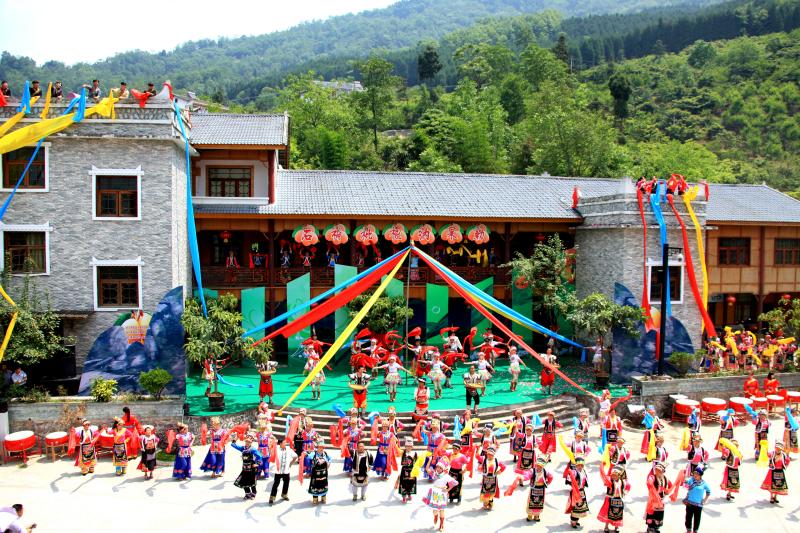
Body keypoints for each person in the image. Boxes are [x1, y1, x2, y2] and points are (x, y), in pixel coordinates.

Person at [423, 458, 457, 532]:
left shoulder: (446, 476)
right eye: (437, 467)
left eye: (440, 468)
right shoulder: (434, 474)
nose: (438, 469)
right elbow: (427, 469)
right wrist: (430, 460)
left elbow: (455, 483)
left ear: (443, 469)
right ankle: (435, 516)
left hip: (441, 494)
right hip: (434, 493)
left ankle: (441, 525)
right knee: (435, 510)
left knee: (441, 510)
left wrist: (447, 490)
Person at [231, 432, 262, 500]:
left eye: (249, 442)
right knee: (244, 481)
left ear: (251, 442)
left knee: (252, 481)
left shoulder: (253, 449)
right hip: (245, 468)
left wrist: (257, 463)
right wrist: (235, 439)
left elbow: (259, 456)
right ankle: (247, 493)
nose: (247, 443)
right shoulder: (243, 448)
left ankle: (253, 493)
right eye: (246, 441)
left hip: (251, 468)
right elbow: (233, 445)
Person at [645, 463, 672, 533]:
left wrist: (667, 492)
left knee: (659, 514)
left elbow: (670, 486)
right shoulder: (653, 477)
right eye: (656, 470)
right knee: (651, 513)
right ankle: (650, 528)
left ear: (662, 471)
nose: (657, 471)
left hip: (661, 500)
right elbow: (649, 481)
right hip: (653, 500)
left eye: (659, 470)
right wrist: (650, 481)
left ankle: (656, 527)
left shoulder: (666, 479)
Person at [682, 465, 711, 533]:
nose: (695, 475)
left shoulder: (704, 483)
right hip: (689, 503)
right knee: (688, 517)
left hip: (698, 504)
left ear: (700, 475)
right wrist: (683, 477)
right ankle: (688, 530)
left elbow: (708, 491)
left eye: (697, 474)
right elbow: (685, 482)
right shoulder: (691, 480)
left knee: (697, 519)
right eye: (694, 473)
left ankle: (695, 531)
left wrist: (705, 499)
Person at [269, 438, 298, 504]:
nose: (285, 444)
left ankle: (284, 494)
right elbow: (271, 453)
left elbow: (295, 456)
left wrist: (291, 463)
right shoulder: (276, 449)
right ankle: (272, 497)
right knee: (276, 484)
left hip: (286, 470)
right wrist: (270, 446)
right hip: (278, 471)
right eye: (284, 442)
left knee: (286, 483)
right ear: (280, 444)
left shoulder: (289, 449)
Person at [564, 456, 590, 529]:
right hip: (575, 492)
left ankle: (576, 520)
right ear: (576, 465)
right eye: (579, 465)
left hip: (581, 491)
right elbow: (569, 480)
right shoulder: (574, 472)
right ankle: (573, 522)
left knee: (580, 507)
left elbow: (585, 480)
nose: (580, 467)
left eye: (581, 465)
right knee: (575, 506)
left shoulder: (583, 471)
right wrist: (574, 485)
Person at [526, 457, 552, 522]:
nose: (539, 467)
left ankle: (537, 516)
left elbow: (551, 477)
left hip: (541, 490)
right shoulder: (532, 471)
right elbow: (528, 475)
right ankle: (530, 515)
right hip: (534, 489)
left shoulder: (545, 471)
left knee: (539, 503)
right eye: (538, 465)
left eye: (540, 466)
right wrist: (523, 478)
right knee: (531, 502)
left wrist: (547, 483)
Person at [479, 446, 505, 510]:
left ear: (493, 454)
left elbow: (504, 467)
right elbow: (477, 457)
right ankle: (485, 505)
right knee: (485, 491)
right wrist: (476, 449)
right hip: (485, 478)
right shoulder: (484, 459)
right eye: (488, 454)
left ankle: (490, 504)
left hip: (493, 478)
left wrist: (499, 472)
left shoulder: (497, 461)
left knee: (491, 492)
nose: (489, 455)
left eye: (490, 454)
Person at [306, 440, 332, 504]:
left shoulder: (325, 454)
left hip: (324, 474)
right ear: (317, 447)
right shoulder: (313, 454)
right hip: (315, 475)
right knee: (315, 486)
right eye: (320, 447)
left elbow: (330, 459)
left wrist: (328, 463)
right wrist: (305, 454)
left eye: (322, 447)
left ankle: (323, 498)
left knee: (323, 485)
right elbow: (308, 456)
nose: (321, 448)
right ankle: (315, 499)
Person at [396, 437, 418, 503]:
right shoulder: (403, 452)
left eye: (410, 446)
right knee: (404, 483)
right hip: (404, 471)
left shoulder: (415, 453)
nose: (408, 447)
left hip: (412, 471)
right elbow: (397, 450)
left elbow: (417, 463)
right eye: (407, 446)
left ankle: (409, 494)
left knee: (411, 483)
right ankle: (404, 497)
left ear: (412, 447)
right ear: (405, 446)